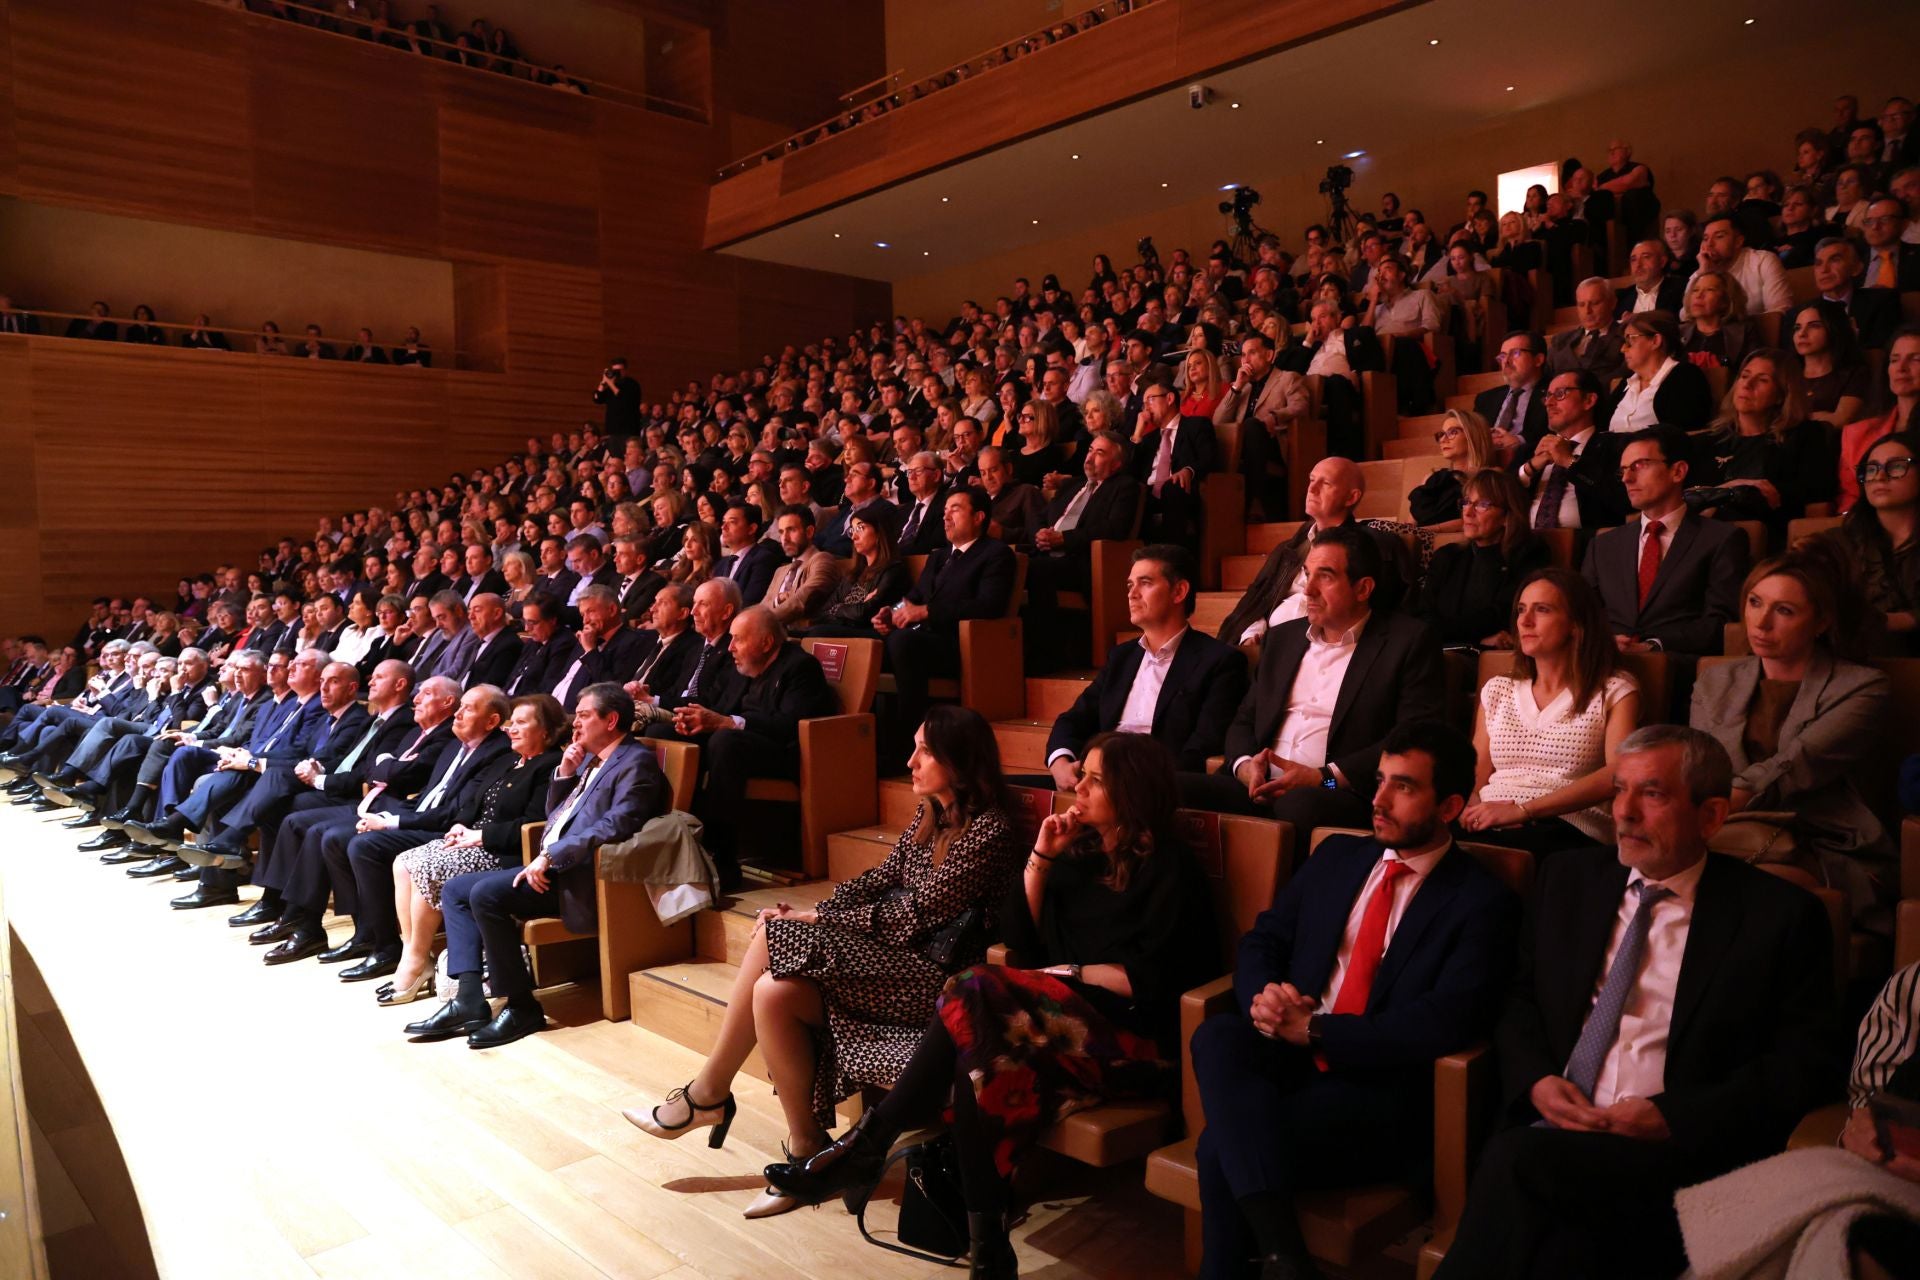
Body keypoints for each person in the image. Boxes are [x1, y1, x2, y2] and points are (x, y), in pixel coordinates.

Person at [765, 732, 1216, 1268]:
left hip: (1129, 1038)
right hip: (1048, 1022)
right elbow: (1021, 944)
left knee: (973, 987)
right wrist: (1043, 856)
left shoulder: (1171, 867)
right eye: (1084, 775)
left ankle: (868, 1147)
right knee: (976, 1054)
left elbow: (1157, 981)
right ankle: (988, 1250)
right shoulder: (1081, 855)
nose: (1080, 786)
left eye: (1097, 779)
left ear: (1133, 790)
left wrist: (1070, 971)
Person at [1434, 726, 1841, 1280]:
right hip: (1561, 1133)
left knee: (1515, 1165)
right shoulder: (1567, 879)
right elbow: (1521, 998)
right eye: (1618, 790)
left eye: (1652, 794)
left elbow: (1804, 1065)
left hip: (1677, 1157)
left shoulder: (1780, 916)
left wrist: (1671, 1117)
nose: (1623, 812)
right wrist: (1536, 1080)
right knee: (1557, 1251)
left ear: (1712, 815)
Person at [624, 706, 1023, 1219]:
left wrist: (817, 921)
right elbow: (878, 880)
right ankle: (807, 1149)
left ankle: (707, 1094)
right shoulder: (932, 815)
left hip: (941, 981)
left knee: (772, 934)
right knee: (773, 992)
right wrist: (821, 910)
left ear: (960, 759)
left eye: (924, 750)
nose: (910, 760)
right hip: (893, 962)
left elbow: (917, 914)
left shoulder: (989, 831)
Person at [1185, 720, 1521, 1280]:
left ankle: (1270, 1260)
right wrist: (1266, 996)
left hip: (1378, 1089)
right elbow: (1265, 938)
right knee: (1217, 1034)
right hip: (1289, 1061)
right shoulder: (1338, 857)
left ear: (1449, 807)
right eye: (1381, 780)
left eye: (1405, 787)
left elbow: (1445, 1020)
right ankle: (1285, 1259)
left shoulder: (1480, 900)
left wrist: (1314, 1031)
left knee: (1222, 1147)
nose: (1380, 799)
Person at [405, 685, 669, 1049]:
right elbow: (558, 817)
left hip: (585, 876)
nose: (575, 723)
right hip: (551, 866)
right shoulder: (593, 759)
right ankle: (468, 998)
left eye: (584, 715)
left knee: (485, 894)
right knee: (456, 889)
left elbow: (616, 825)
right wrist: (565, 774)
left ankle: (521, 1006)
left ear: (611, 720)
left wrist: (551, 855)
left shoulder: (634, 762)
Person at [1187, 524, 1443, 830]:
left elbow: (1411, 737)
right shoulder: (1282, 639)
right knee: (1173, 789)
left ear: (1363, 588)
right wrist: (1244, 766)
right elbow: (1244, 719)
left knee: (1298, 804)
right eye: (1309, 575)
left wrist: (1321, 778)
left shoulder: (1408, 642)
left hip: (1337, 788)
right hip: (1258, 783)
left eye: (1326, 576)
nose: (1308, 589)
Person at [1690, 551, 1893, 925]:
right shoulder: (1715, 681)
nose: (1761, 623)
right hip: (1728, 833)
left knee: (1725, 890)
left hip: (1824, 845)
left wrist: (1696, 818)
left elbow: (1794, 766)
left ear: (1821, 622)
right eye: (1754, 603)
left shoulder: (1863, 687)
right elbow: (1703, 769)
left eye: (1784, 611)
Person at [378, 693, 565, 1005]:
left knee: (428, 866)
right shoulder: (507, 760)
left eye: (521, 723)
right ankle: (414, 955)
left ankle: (414, 961)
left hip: (505, 852)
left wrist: (480, 836)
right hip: (473, 841)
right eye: (511, 723)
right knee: (403, 862)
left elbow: (535, 823)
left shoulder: (551, 766)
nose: (512, 729)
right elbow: (471, 802)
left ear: (545, 729)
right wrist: (460, 825)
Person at [1460, 569, 1639, 856]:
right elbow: (1475, 776)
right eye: (1521, 610)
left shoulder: (1614, 690)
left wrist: (1524, 811)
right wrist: (1467, 812)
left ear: (1575, 624)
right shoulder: (1498, 689)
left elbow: (1618, 773)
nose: (1525, 621)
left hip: (1569, 826)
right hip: (1492, 821)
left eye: (1542, 610)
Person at [1043, 545, 1247, 785]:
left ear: (1179, 591)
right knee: (1007, 791)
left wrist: (1133, 779)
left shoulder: (1219, 661)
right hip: (1094, 777)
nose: (1132, 594)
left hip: (1152, 784)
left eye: (1145, 583)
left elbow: (1202, 746)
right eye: (1130, 585)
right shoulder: (1122, 656)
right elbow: (1073, 719)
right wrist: (1060, 762)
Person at [1217, 456, 1415, 651]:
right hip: (1268, 648)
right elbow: (1258, 600)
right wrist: (1251, 633)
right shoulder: (1288, 550)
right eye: (1312, 480)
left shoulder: (1371, 549)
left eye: (1326, 483)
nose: (1312, 489)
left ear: (1351, 497)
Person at [1581, 426, 1746, 655]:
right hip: (1606, 665)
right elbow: (1583, 616)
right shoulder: (1602, 545)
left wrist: (1652, 647)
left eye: (1639, 465)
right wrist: (1606, 643)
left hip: (1678, 668)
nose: (1627, 478)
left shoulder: (1721, 539)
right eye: (1623, 471)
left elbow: (1721, 622)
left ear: (1677, 471)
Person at [876, 488, 1017, 751]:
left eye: (955, 509)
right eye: (944, 511)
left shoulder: (995, 554)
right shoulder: (939, 555)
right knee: (869, 641)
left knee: (903, 643)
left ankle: (912, 737)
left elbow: (989, 606)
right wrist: (891, 610)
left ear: (978, 517)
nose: (946, 517)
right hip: (921, 639)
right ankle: (878, 738)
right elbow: (912, 597)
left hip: (959, 644)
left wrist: (928, 612)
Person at [1409, 469, 1550, 647]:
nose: (1468, 512)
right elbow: (1423, 618)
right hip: (1442, 650)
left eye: (1482, 504)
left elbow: (1502, 615)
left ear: (1507, 516)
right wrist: (1476, 641)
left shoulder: (1528, 555)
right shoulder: (1447, 556)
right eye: (1466, 502)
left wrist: (1455, 636)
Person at [1689, 349, 1831, 524]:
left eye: (1762, 380)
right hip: (1703, 540)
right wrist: (1731, 488)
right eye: (1744, 376)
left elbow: (1816, 505)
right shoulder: (1708, 440)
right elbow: (1683, 503)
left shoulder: (1805, 436)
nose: (1747, 385)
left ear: (1781, 395)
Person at [1836, 431, 1920, 651]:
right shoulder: (1843, 539)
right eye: (1871, 469)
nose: (1880, 477)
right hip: (1858, 655)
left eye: (1897, 466)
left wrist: (1890, 621)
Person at [1215, 331, 1309, 519]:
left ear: (1269, 355)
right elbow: (1218, 422)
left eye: (1252, 353)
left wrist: (1276, 416)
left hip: (1274, 442)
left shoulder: (1287, 378)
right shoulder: (1244, 386)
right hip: (1241, 446)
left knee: (1251, 425)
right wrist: (1236, 387)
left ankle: (1255, 499)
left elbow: (1301, 406)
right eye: (1243, 355)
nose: (1246, 359)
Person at [1838, 324, 1920, 513]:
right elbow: (1850, 500)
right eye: (1894, 360)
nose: (1901, 368)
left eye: (1916, 359)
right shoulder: (1856, 434)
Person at [1131, 372, 1216, 544]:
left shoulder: (1196, 425)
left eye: (1150, 400)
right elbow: (1130, 471)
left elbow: (1209, 457)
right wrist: (1137, 434)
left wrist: (1188, 470)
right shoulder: (1148, 440)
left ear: (1169, 398)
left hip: (1180, 490)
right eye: (1143, 404)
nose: (1146, 408)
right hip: (1148, 494)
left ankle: (1173, 555)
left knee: (1172, 487)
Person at [806, 502, 912, 636]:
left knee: (816, 633)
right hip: (845, 628)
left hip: (871, 634)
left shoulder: (893, 570)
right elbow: (822, 614)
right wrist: (848, 609)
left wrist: (839, 609)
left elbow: (863, 614)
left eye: (860, 528)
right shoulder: (854, 574)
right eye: (852, 530)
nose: (854, 537)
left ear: (879, 533)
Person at [1602, 311, 1713, 434]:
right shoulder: (1626, 382)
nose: (1623, 349)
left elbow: (1681, 435)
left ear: (1655, 341)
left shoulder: (1686, 378)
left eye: (1630, 340)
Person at [1690, 212, 1792, 315]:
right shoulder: (1701, 271)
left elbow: (1778, 311)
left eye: (1719, 236)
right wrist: (1704, 274)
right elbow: (1686, 316)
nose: (1709, 244)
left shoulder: (1763, 261)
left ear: (1738, 241)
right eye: (1706, 238)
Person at [1792, 298, 1872, 429]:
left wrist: (1796, 419)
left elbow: (1841, 420)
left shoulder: (1854, 373)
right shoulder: (1789, 371)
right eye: (1797, 327)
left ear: (1834, 329)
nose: (1802, 333)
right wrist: (1822, 416)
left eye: (1814, 326)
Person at [1408, 410, 1496, 529]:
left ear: (1472, 435)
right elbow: (1409, 525)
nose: (1443, 440)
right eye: (1441, 434)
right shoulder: (1431, 478)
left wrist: (1426, 531)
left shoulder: (1490, 477)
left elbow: (1475, 520)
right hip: (1419, 540)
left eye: (1453, 432)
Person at [762, 504, 843, 627]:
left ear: (809, 532)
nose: (784, 538)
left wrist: (762, 621)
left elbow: (801, 602)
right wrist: (778, 600)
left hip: (802, 638)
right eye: (781, 532)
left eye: (791, 530)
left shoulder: (823, 560)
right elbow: (763, 606)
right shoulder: (780, 571)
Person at [1545, 280, 1626, 383]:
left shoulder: (1625, 336)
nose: (1587, 311)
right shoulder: (1560, 340)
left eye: (1595, 303)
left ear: (1612, 303)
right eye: (1581, 304)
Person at [1677, 270, 1754, 372]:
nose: (1699, 295)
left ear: (1726, 300)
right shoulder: (1677, 332)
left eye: (1709, 289)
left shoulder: (1745, 332)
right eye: (1695, 290)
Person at [1616, 240, 1687, 317]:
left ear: (1662, 262)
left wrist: (1638, 320)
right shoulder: (1621, 297)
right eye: (1633, 259)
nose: (1638, 265)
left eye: (1646, 257)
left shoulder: (1681, 289)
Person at [593, 357, 642, 440]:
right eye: (615, 371)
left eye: (620, 370)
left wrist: (610, 383)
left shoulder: (632, 384)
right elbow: (597, 399)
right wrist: (603, 382)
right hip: (612, 431)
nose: (617, 373)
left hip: (628, 430)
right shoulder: (611, 386)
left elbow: (623, 399)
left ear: (625, 370)